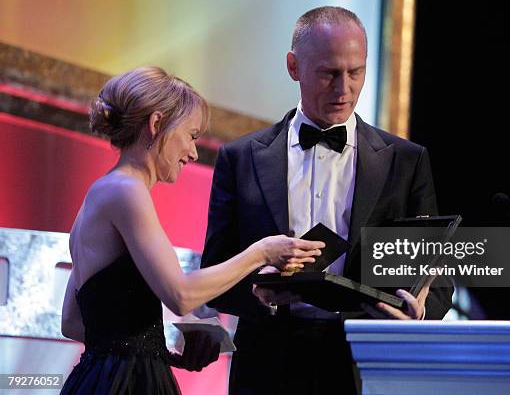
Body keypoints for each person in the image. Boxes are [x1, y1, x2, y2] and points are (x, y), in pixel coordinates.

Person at [201, 6, 453, 394]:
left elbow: (438, 280)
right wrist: (258, 295)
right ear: (293, 66)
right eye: (329, 73)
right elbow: (215, 271)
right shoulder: (241, 157)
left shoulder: (406, 161)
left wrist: (418, 313)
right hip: (267, 365)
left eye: (356, 72)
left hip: (362, 365)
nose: (344, 88)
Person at [59, 66, 324, 395]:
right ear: (156, 125)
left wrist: (157, 351)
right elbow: (181, 294)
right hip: (126, 384)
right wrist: (261, 252)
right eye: (191, 135)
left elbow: (72, 322)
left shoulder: (101, 192)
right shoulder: (126, 192)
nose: (194, 152)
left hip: (100, 378)